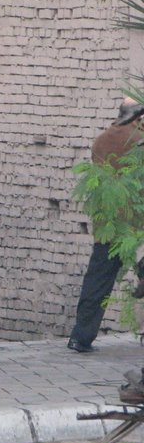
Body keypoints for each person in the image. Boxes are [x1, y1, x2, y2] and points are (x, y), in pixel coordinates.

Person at [67, 97, 144, 353]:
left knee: (98, 277)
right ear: (137, 116)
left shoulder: (101, 140)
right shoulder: (138, 141)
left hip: (108, 221)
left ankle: (81, 336)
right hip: (136, 217)